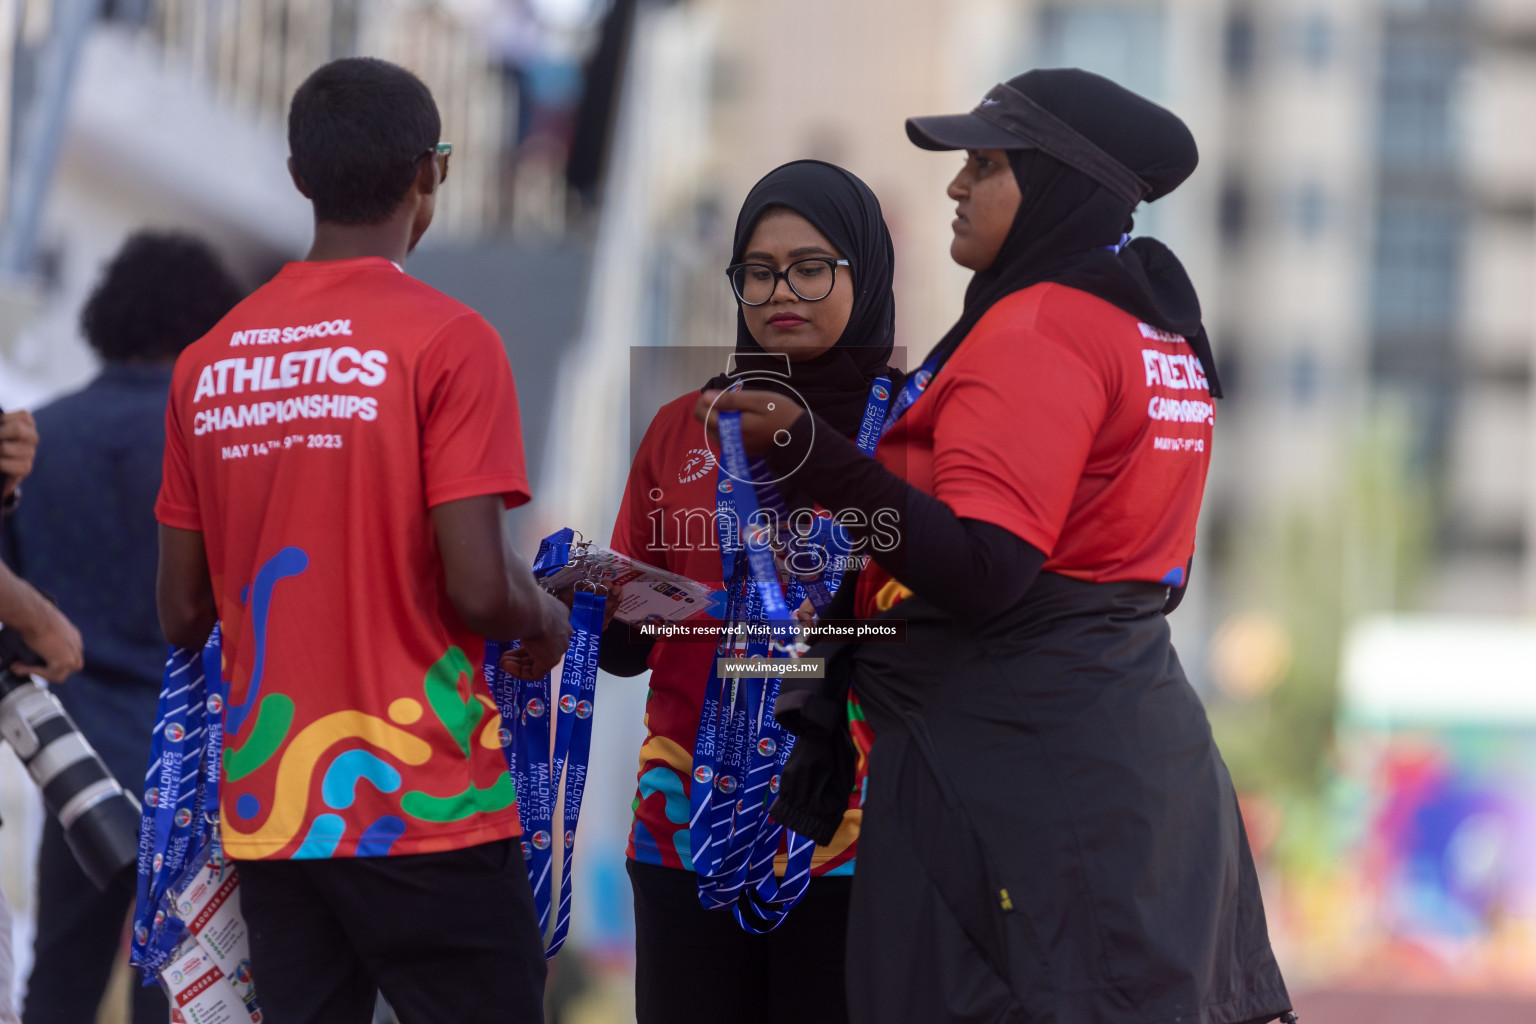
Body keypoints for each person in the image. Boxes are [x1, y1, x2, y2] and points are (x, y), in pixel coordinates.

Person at [699, 69, 1296, 1024]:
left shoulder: (1039, 327)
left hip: (1018, 779)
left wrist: (812, 455)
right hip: (1131, 755)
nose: (955, 186)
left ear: (1058, 185)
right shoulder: (1151, 325)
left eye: (984, 164)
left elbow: (985, 569)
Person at [154, 57, 571, 1024]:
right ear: (430, 173)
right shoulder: (449, 340)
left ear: (298, 176)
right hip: (427, 802)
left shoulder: (207, 363)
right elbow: (476, 586)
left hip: (275, 816)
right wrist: (543, 613)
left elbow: (180, 612)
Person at [599, 160, 899, 1023]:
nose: (781, 291)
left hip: (852, 836)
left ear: (865, 272)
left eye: (812, 267)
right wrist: (594, 603)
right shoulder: (680, 428)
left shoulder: (917, 431)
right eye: (759, 271)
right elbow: (629, 647)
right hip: (685, 827)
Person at [8, 231, 244, 1024]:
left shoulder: (35, 437)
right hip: (190, 761)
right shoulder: (217, 448)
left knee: (61, 981)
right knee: (179, 981)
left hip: (70, 760)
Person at [0, 411, 81, 1024]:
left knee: (59, 979)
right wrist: (35, 617)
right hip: (166, 739)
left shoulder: (64, 421)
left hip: (62, 722)